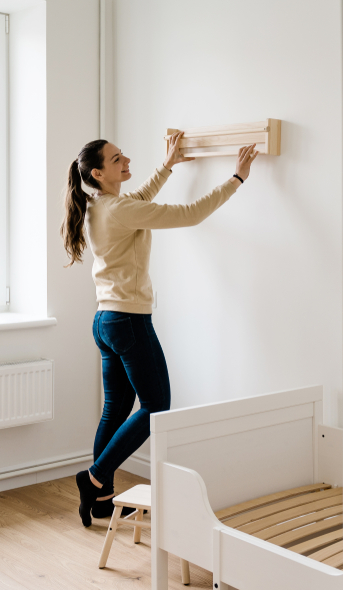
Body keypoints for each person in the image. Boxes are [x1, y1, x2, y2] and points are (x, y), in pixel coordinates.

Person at [60, 133, 260, 526]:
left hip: (105, 320)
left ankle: (101, 498)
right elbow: (190, 214)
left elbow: (142, 199)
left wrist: (168, 165)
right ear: (99, 173)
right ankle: (94, 478)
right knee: (156, 406)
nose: (126, 159)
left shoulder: (101, 205)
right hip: (129, 321)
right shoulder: (118, 209)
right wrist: (237, 179)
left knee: (116, 408)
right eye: (117, 159)